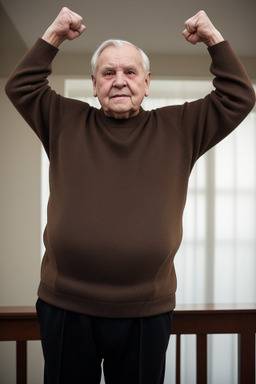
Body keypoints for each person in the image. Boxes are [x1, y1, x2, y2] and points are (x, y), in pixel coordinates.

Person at [5, 7, 255, 384]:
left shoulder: (179, 128)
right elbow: (20, 85)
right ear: (94, 84)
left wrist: (211, 37)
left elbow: (238, 96)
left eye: (130, 72)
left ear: (147, 82)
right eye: (108, 73)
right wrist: (55, 33)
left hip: (146, 312)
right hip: (65, 306)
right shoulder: (64, 120)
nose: (119, 81)